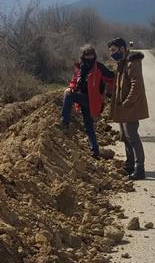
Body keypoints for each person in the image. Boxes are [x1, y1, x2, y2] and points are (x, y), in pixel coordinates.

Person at [60, 44, 114, 158]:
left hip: (93, 100)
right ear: (83, 56)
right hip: (84, 99)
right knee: (88, 126)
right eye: (87, 54)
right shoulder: (80, 68)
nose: (89, 57)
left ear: (94, 55)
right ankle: (95, 152)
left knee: (69, 97)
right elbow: (74, 81)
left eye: (91, 54)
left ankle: (64, 122)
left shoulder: (99, 67)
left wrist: (107, 92)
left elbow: (111, 78)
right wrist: (70, 87)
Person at [107, 37, 149, 179]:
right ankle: (130, 164)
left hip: (130, 107)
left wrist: (126, 102)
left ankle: (140, 168)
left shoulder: (132, 62)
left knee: (132, 137)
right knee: (125, 137)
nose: (112, 53)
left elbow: (136, 85)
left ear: (122, 49)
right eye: (110, 51)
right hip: (123, 107)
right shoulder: (122, 62)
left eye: (114, 50)